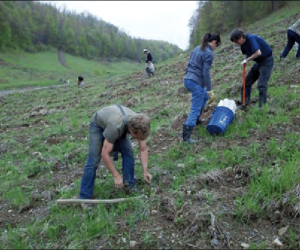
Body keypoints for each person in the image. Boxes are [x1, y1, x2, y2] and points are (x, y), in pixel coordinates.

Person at [79, 104, 152, 200]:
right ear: (131, 132)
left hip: (117, 122)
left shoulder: (140, 125)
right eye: (138, 138)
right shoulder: (116, 127)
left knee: (128, 152)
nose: (139, 140)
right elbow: (105, 153)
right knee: (93, 160)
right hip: (98, 125)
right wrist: (116, 175)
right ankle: (84, 197)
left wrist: (145, 171)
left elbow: (143, 149)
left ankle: (129, 187)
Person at [182, 33, 221, 144]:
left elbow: (189, 63)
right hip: (196, 82)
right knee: (195, 108)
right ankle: (186, 137)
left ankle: (197, 120)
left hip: (187, 80)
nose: (215, 48)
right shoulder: (209, 53)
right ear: (214, 42)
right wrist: (209, 89)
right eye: (216, 45)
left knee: (204, 98)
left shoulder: (197, 48)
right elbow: (205, 72)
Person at [230, 28, 274, 108]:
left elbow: (258, 53)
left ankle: (262, 106)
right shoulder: (242, 44)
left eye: (236, 41)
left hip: (267, 60)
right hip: (258, 62)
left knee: (261, 84)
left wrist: (247, 60)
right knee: (246, 82)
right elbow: (246, 54)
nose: (236, 44)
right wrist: (244, 59)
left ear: (241, 37)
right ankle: (245, 104)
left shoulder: (250, 38)